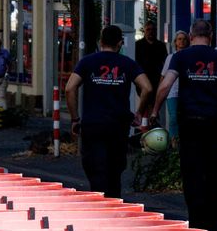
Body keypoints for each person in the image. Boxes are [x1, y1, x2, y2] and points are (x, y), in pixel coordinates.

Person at [149, 19, 217, 231]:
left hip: (190, 122)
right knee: (212, 171)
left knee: (192, 171)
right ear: (211, 35)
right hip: (214, 122)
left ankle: (197, 222)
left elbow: (166, 85)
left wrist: (154, 110)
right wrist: (214, 92)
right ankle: (213, 223)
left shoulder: (180, 57)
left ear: (190, 34)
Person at [65, 23, 152, 199]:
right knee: (114, 171)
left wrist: (75, 118)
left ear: (100, 41)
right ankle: (113, 203)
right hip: (118, 125)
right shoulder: (128, 63)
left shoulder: (87, 62)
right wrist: (139, 113)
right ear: (120, 43)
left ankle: (99, 204)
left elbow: (69, 88)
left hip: (92, 124)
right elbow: (148, 88)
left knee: (95, 169)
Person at [134, 18, 168, 96]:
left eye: (153, 29)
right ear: (144, 31)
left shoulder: (161, 45)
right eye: (148, 29)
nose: (150, 32)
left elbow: (165, 62)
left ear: (156, 31)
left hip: (157, 79)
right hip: (142, 78)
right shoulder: (138, 45)